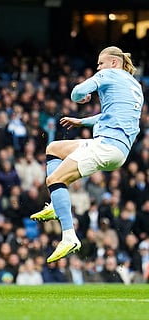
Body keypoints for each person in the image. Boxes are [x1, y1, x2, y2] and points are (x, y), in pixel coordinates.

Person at [30, 46, 143, 263]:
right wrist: (82, 121)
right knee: (53, 148)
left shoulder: (109, 74)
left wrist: (83, 97)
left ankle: (69, 236)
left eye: (101, 63)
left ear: (113, 63)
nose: (98, 67)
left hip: (106, 145)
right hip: (117, 148)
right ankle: (56, 203)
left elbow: (76, 93)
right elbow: (110, 115)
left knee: (54, 179)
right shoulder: (134, 87)